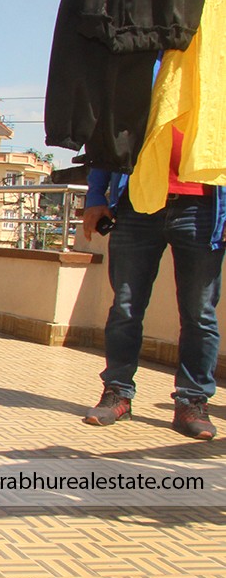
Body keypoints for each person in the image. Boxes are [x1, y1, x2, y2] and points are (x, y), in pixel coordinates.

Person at [82, 129, 226, 440]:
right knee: (125, 307)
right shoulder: (139, 79)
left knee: (199, 312)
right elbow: (111, 132)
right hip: (137, 203)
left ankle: (192, 402)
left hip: (202, 207)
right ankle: (117, 394)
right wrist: (95, 196)